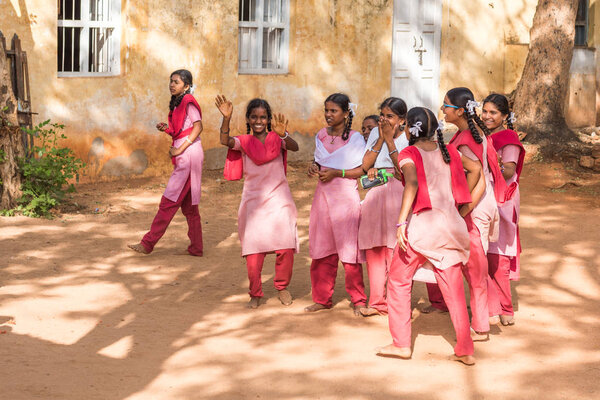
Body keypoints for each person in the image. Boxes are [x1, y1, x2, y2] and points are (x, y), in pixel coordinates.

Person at [377, 107, 484, 365]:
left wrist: (402, 221)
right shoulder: (448, 151)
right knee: (454, 290)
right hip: (451, 226)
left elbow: (410, 183)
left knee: (399, 282)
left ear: (408, 129)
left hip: (422, 229)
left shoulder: (409, 152)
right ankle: (465, 349)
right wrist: (459, 204)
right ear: (434, 128)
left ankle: (401, 344)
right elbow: (476, 169)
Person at [423, 87, 506, 339]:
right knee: (473, 266)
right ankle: (480, 317)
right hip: (475, 204)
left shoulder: (469, 137)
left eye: (446, 105)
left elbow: (477, 175)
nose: (442, 109)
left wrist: (462, 208)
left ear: (460, 111)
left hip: (474, 207)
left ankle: (481, 324)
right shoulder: (470, 132)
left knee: (475, 266)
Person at [216, 95, 299, 309]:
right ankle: (255, 292)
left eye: (263, 117)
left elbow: (295, 146)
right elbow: (225, 141)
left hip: (279, 199)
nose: (258, 121)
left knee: (285, 247)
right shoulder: (243, 142)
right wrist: (226, 118)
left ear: (269, 119)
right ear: (248, 119)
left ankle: (282, 287)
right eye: (254, 117)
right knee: (253, 251)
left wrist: (284, 135)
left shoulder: (277, 137)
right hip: (253, 201)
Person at [128, 69, 204, 256]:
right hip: (186, 156)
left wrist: (179, 149)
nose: (171, 84)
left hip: (188, 157)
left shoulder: (188, 102)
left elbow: (198, 127)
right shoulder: (178, 103)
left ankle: (148, 243)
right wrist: (168, 130)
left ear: (186, 86)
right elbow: (182, 130)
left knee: (168, 201)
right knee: (189, 208)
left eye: (176, 82)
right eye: (171, 81)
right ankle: (197, 248)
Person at [304, 93, 368, 316]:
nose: (329, 115)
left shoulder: (355, 138)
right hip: (323, 197)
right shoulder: (321, 135)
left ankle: (359, 299)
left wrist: (336, 172)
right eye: (326, 110)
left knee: (349, 250)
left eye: (334, 111)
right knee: (322, 247)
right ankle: (322, 298)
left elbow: (362, 170)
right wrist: (314, 166)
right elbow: (320, 161)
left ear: (346, 112)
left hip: (345, 197)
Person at [358, 97, 409, 316]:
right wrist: (380, 139)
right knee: (375, 248)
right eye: (383, 115)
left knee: (395, 247)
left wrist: (390, 141)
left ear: (402, 120)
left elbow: (404, 171)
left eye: (390, 116)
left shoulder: (408, 139)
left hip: (399, 193)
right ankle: (377, 301)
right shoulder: (374, 135)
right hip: (376, 193)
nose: (385, 120)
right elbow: (365, 165)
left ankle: (396, 301)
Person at [482, 93, 525, 326]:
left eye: (493, 113)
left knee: (499, 256)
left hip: (503, 199)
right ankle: (491, 305)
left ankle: (506, 308)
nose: (487, 116)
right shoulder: (483, 135)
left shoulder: (508, 137)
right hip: (484, 196)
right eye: (485, 111)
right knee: (483, 254)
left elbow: (508, 171)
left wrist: (488, 161)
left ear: (504, 116)